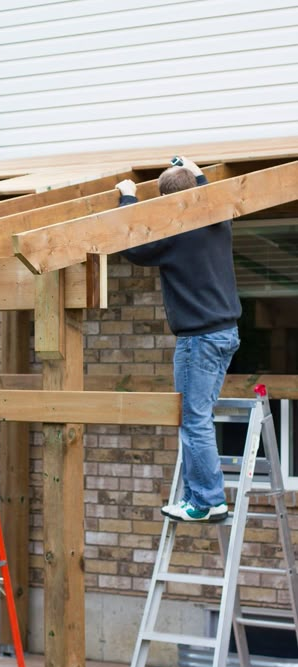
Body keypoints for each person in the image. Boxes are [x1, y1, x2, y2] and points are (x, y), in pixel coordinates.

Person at [116, 156, 241, 522]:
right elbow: (205, 192)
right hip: (225, 333)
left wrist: (127, 198)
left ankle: (206, 501)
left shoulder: (174, 234)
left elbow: (132, 246)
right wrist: (197, 171)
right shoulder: (219, 219)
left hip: (199, 340)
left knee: (194, 420)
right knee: (199, 417)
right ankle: (203, 495)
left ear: (166, 200)